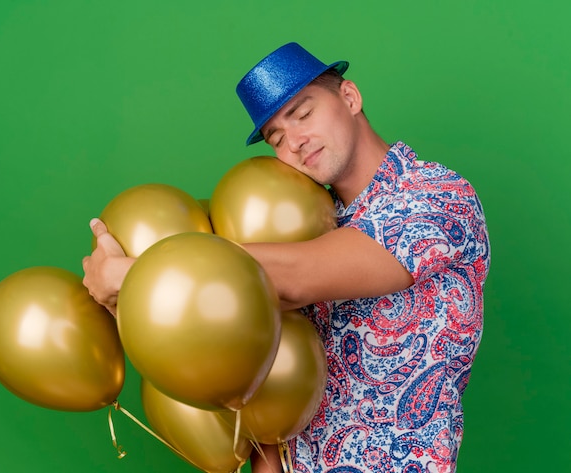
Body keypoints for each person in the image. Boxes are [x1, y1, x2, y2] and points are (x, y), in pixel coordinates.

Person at [82, 42, 490, 473]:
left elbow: (300, 275)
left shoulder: (438, 198)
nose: (295, 141)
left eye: (303, 114)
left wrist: (134, 272)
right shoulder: (303, 223)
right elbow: (264, 352)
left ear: (349, 97)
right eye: (277, 137)